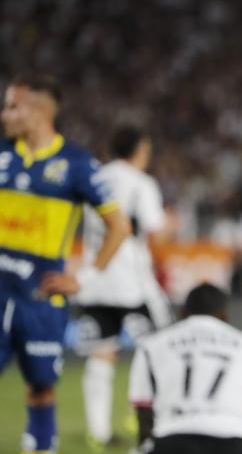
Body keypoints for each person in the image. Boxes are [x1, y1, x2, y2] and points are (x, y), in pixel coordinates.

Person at [0, 73, 131, 454]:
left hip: (40, 298)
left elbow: (119, 226)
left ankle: (41, 445)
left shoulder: (76, 163)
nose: (5, 113)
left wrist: (84, 278)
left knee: (41, 386)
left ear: (39, 112)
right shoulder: (3, 154)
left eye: (12, 105)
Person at [73, 125, 174, 449]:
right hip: (132, 284)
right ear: (140, 150)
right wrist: (172, 224)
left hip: (95, 281)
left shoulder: (95, 178)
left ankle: (97, 431)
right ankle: (142, 414)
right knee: (157, 350)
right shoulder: (141, 183)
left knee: (102, 354)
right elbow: (156, 234)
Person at [128, 283, 242, 454]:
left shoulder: (150, 346)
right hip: (235, 441)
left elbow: (144, 410)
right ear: (225, 316)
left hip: (174, 437)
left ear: (183, 313)